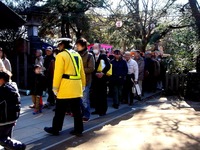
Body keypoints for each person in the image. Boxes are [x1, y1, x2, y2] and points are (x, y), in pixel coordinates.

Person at [44, 38, 86, 136]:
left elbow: (58, 73)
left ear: (63, 45)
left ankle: (56, 129)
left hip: (65, 86)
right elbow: (82, 71)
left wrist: (55, 87)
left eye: (59, 44)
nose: (59, 46)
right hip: (76, 85)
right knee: (77, 110)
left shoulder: (61, 55)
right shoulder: (77, 54)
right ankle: (79, 130)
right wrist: (83, 84)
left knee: (60, 110)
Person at [0, 70, 26, 150]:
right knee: (7, 137)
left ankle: (19, 146)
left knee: (2, 139)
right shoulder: (12, 87)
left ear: (1, 79)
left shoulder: (3, 90)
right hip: (12, 118)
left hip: (4, 120)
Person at [76, 38, 95, 122]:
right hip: (76, 81)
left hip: (86, 81)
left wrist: (80, 70)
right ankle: (80, 113)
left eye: (78, 45)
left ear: (83, 46)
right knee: (78, 99)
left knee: (85, 99)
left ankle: (86, 115)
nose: (77, 47)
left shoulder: (90, 56)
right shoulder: (75, 54)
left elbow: (91, 68)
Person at [91, 43, 110, 116]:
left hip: (102, 79)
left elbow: (108, 66)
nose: (95, 49)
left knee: (102, 95)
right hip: (95, 78)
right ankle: (97, 109)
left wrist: (102, 73)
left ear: (99, 48)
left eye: (96, 48)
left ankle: (103, 110)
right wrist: (94, 73)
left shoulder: (103, 56)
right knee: (95, 95)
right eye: (93, 48)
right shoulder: (91, 56)